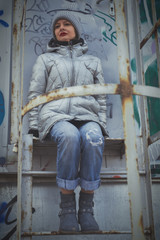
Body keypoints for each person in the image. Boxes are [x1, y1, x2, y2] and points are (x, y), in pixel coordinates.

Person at [28, 11, 108, 233]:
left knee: (93, 138)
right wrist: (34, 124)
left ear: (76, 30)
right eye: (57, 26)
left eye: (67, 24)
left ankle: (86, 209)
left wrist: (102, 124)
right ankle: (67, 210)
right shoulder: (45, 59)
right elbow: (35, 93)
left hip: (88, 115)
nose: (61, 28)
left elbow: (101, 97)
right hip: (55, 115)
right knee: (70, 136)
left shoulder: (92, 61)